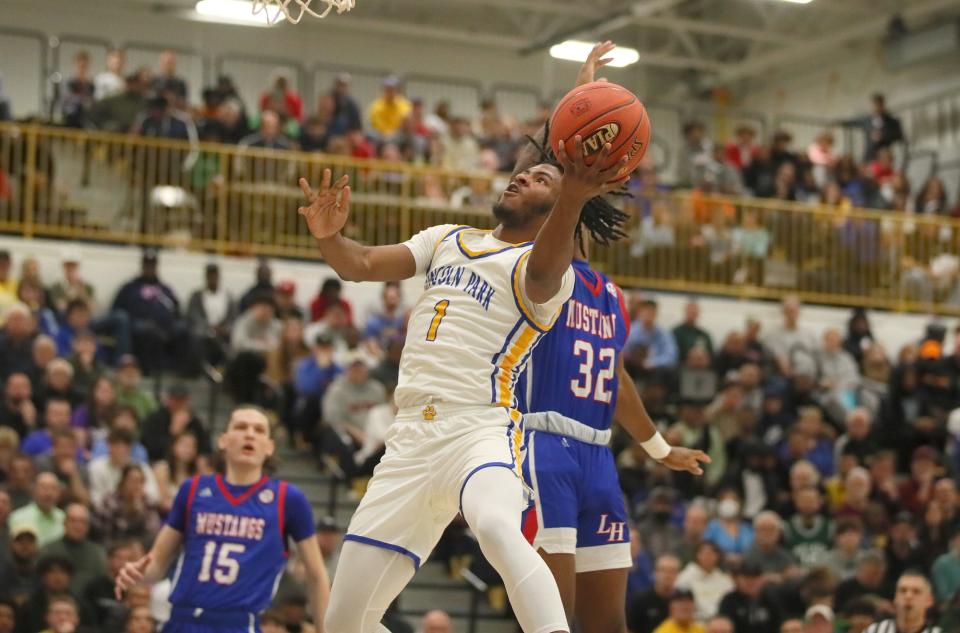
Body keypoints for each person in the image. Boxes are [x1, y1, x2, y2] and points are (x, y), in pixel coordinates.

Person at [297, 47, 634, 631]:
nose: (523, 172)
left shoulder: (545, 274)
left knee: (501, 530)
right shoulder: (446, 237)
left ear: (560, 206)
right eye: (524, 169)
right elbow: (358, 264)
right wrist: (330, 239)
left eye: (542, 177)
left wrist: (575, 184)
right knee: (342, 623)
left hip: (480, 428)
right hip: (407, 442)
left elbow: (554, 250)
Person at [515, 49, 708, 630]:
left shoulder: (609, 292)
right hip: (538, 446)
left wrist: (657, 448)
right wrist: (574, 109)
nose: (540, 180)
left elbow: (616, 379)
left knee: (608, 625)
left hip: (597, 455)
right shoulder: (527, 268)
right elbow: (542, 167)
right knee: (551, 618)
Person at [115, 406, 329, 631]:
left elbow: (316, 575)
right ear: (223, 441)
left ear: (269, 447)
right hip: (181, 619)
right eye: (240, 427)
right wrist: (138, 575)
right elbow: (158, 561)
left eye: (258, 430)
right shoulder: (193, 489)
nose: (249, 434)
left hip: (237, 623)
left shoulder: (288, 499)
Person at [864, 571, 941, 633]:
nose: (908, 596)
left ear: (929, 601)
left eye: (916, 592)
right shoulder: (874, 631)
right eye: (903, 591)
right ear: (895, 598)